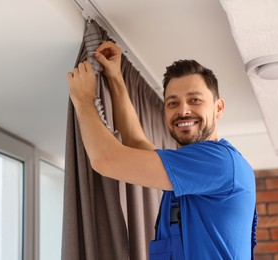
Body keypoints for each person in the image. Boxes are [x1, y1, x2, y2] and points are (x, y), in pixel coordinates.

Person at [67, 41, 257, 259]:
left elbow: (106, 160)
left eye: (195, 100)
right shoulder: (190, 169)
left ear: (219, 108)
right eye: (172, 103)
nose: (183, 110)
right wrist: (115, 78)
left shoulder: (219, 161)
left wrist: (83, 101)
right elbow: (137, 144)